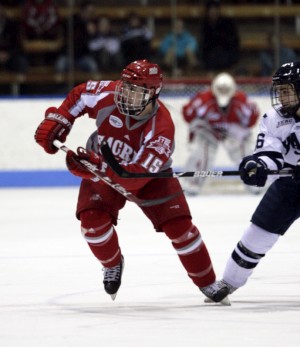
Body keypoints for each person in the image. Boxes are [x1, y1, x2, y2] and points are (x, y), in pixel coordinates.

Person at [34, 59, 230, 304]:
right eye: (126, 88)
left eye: (136, 93)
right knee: (92, 225)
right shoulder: (110, 93)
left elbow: (135, 179)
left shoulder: (162, 127)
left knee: (182, 230)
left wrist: (96, 166)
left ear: (153, 94)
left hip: (147, 178)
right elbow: (80, 94)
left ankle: (208, 283)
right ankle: (112, 264)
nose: (126, 96)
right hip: (102, 165)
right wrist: (61, 119)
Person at [214, 61, 300, 298]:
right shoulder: (274, 117)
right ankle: (228, 282)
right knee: (257, 233)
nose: (280, 96)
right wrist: (258, 165)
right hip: (291, 183)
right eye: (279, 90)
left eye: (287, 90)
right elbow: (270, 154)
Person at [181, 72, 260, 195]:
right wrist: (199, 126)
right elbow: (188, 115)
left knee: (244, 154)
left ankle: (254, 181)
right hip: (209, 132)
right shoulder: (202, 99)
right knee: (202, 154)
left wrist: (237, 132)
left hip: (233, 132)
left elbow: (251, 120)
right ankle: (192, 182)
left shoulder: (242, 101)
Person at [54, 1, 98, 74]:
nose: (89, 14)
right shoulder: (73, 20)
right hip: (68, 55)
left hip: (83, 56)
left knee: (93, 66)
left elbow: (95, 42)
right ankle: (62, 86)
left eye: (91, 12)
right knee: (60, 65)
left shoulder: (93, 23)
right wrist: (85, 24)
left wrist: (92, 33)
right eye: (88, 12)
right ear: (82, 11)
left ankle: (91, 85)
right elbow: (66, 28)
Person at [201, 0, 240, 72]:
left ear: (218, 11)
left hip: (226, 53)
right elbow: (204, 44)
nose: (213, 12)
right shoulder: (205, 25)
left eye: (215, 9)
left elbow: (233, 42)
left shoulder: (227, 23)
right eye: (211, 10)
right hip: (211, 56)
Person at [0, 4, 28, 73]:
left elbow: (18, 45)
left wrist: (7, 54)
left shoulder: (12, 25)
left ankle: (16, 83)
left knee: (21, 62)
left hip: (10, 56)